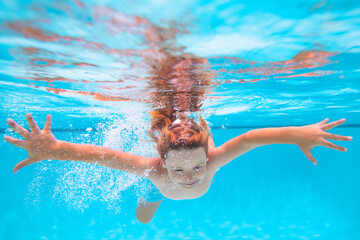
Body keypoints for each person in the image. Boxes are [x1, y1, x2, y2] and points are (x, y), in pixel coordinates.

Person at [4, 112, 352, 223]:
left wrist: (298, 134)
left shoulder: (214, 157)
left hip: (172, 175)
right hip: (155, 191)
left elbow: (250, 139)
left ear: (208, 155)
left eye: (197, 167)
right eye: (179, 171)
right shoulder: (153, 170)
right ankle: (147, 198)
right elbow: (101, 156)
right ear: (164, 162)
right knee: (143, 218)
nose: (190, 178)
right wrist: (56, 148)